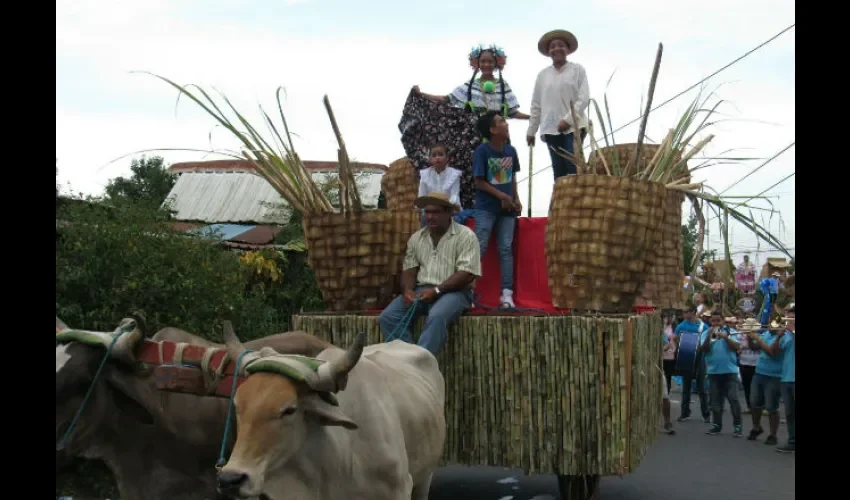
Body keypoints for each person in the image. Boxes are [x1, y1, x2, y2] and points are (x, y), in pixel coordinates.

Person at [404, 44, 528, 209]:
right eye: (483, 61)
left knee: (502, 174)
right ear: (476, 63)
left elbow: (512, 112)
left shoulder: (503, 87)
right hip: (472, 135)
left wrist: (532, 118)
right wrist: (422, 94)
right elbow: (447, 99)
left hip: (497, 136)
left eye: (490, 61)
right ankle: (471, 210)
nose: (486, 65)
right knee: (472, 172)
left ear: (497, 63)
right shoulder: (470, 86)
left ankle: (505, 204)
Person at [378, 192, 481, 355]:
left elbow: (467, 273)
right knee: (388, 317)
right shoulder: (416, 238)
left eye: (436, 212)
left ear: (449, 213)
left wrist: (437, 291)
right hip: (422, 290)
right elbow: (409, 270)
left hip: (456, 292)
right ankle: (408, 361)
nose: (430, 217)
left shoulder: (466, 236)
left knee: (437, 316)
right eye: (427, 212)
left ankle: (421, 365)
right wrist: (407, 291)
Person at [472, 111, 522, 308]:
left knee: (505, 249)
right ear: (492, 130)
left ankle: (507, 295)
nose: (506, 123)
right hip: (486, 208)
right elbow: (478, 182)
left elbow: (513, 178)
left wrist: (516, 199)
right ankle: (468, 291)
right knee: (479, 247)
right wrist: (501, 196)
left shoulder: (511, 151)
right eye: (501, 121)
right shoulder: (481, 152)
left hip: (507, 210)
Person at [527, 29, 590, 179]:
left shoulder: (577, 70)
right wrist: (531, 130)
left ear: (567, 49)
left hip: (573, 127)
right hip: (550, 128)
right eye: (552, 46)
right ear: (549, 52)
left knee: (574, 166)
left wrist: (568, 120)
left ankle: (578, 199)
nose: (556, 49)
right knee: (559, 171)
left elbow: (584, 97)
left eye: (560, 45)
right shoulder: (543, 75)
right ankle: (562, 201)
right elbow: (536, 105)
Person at [700, 311, 744, 437]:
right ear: (710, 322)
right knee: (715, 401)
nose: (716, 323)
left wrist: (725, 337)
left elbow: (736, 346)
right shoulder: (705, 333)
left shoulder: (730, 331)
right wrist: (709, 336)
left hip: (730, 371)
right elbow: (704, 350)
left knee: (733, 399)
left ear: (723, 321)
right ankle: (717, 425)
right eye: (713, 321)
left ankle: (738, 426)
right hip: (713, 372)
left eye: (718, 320)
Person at [746, 320, 785, 445]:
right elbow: (753, 347)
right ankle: (756, 428)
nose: (771, 325)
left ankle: (773, 435)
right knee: (754, 402)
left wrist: (757, 338)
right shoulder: (767, 334)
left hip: (775, 375)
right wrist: (749, 337)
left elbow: (772, 353)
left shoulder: (783, 337)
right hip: (760, 372)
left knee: (771, 406)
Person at [673, 305, 710, 423]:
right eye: (684, 312)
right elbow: (674, 339)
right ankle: (685, 413)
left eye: (687, 312)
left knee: (702, 388)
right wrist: (677, 342)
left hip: (700, 359)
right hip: (686, 358)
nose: (685, 314)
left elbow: (708, 341)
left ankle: (706, 414)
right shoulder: (681, 326)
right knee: (686, 388)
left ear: (694, 312)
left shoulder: (703, 326)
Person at [417, 143, 461, 226]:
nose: (437, 157)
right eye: (434, 155)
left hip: (448, 209)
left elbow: (454, 195)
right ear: (430, 159)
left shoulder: (454, 174)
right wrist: (420, 209)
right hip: (430, 209)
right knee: (425, 216)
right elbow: (422, 195)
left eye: (440, 154)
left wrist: (446, 208)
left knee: (455, 221)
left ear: (447, 158)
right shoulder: (425, 174)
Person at [773, 305, 795, 453]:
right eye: (787, 318)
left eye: (791, 319)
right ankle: (792, 441)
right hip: (786, 377)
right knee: (789, 413)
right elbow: (774, 353)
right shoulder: (785, 334)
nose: (788, 321)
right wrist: (779, 336)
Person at [736, 318, 760, 414]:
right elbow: (738, 348)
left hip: (755, 364)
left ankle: (758, 406)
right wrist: (738, 350)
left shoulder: (758, 336)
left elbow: (754, 347)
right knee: (746, 386)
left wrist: (750, 337)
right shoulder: (740, 336)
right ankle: (749, 406)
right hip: (744, 363)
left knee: (756, 387)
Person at [661, 325, 676, 435]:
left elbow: (668, 344)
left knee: (664, 396)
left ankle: (667, 422)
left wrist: (663, 348)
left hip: (657, 366)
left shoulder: (661, 333)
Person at [662, 315, 677, 394]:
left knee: (668, 376)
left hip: (670, 355)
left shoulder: (674, 327)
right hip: (662, 355)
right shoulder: (661, 326)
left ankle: (666, 394)